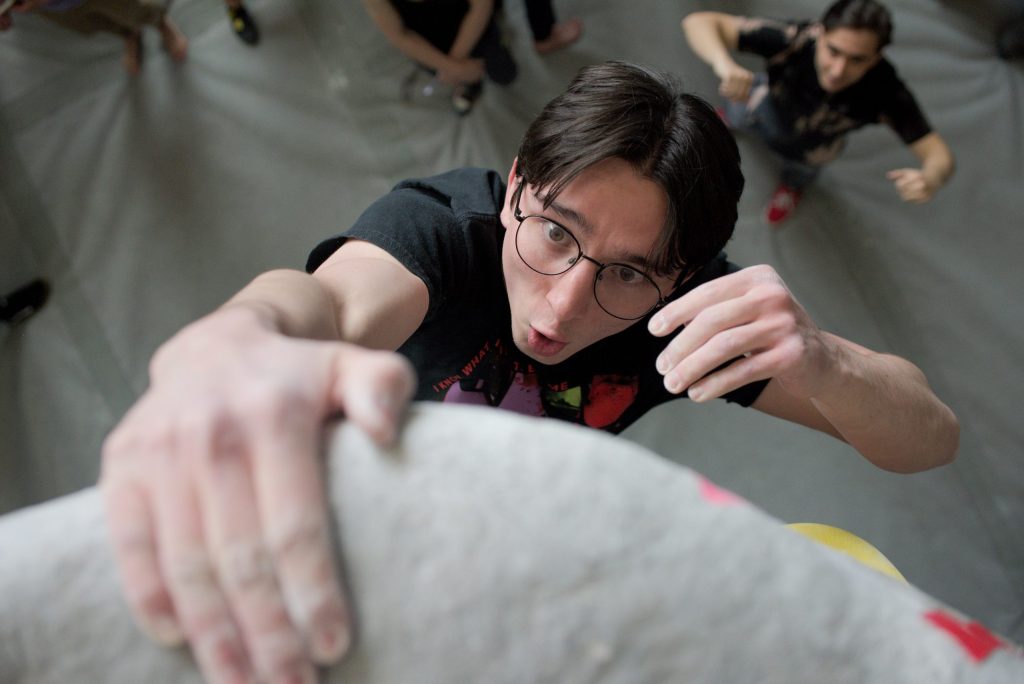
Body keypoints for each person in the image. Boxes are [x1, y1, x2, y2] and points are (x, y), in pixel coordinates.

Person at [100, 61, 959, 684]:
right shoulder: (445, 230)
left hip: (517, 544)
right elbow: (329, 304)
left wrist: (824, 357)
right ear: (516, 187)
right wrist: (247, 332)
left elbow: (928, 439)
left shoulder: (685, 310)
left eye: (625, 273)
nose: (560, 309)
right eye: (554, 232)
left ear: (680, 274)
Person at [681, 0, 955, 226]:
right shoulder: (795, 39)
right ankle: (728, 122)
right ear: (820, 33)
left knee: (801, 171)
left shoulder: (885, 91)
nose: (838, 71)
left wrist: (931, 178)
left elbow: (939, 156)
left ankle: (792, 185)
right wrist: (724, 65)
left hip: (812, 149)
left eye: (857, 60)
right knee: (735, 114)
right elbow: (698, 23)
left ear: (877, 57)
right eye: (833, 51)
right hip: (759, 107)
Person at [363, 0, 517, 115]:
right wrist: (453, 67)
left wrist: (455, 65)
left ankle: (489, 57)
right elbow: (399, 36)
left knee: (505, 74)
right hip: (433, 45)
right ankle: (468, 83)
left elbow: (482, 5)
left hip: (473, 28)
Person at [0, 0, 187, 74]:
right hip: (52, 8)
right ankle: (129, 34)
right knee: (93, 23)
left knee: (137, 9)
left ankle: (162, 25)